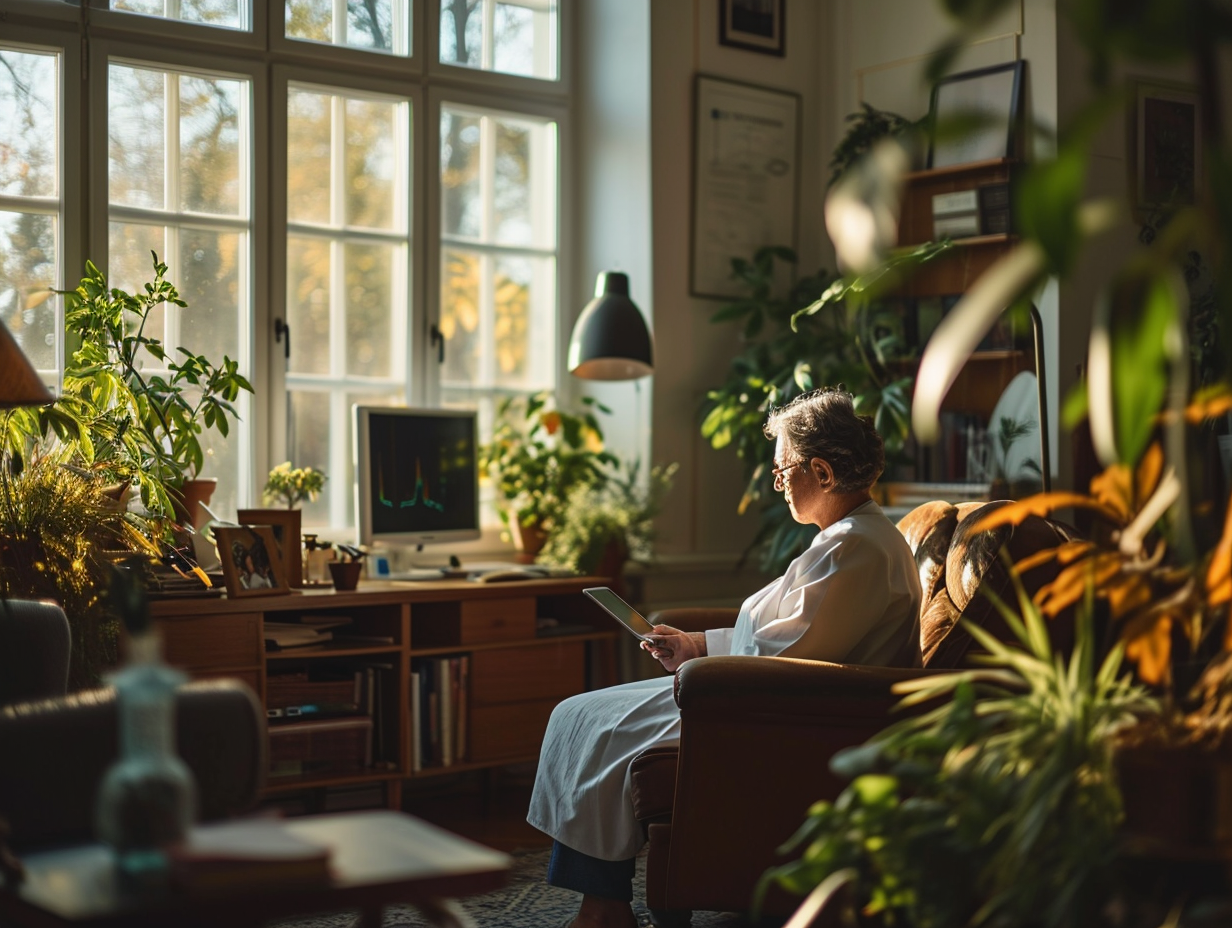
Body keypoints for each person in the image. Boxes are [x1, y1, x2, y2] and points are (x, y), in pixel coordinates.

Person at [526, 387, 923, 928]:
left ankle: (602, 907)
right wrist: (694, 646)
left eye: (784, 471)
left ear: (823, 473)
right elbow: (786, 637)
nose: (778, 484)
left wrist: (704, 663)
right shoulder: (847, 538)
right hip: (747, 693)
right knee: (579, 712)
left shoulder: (859, 547)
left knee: (593, 724)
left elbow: (790, 657)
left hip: (771, 713)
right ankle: (602, 901)